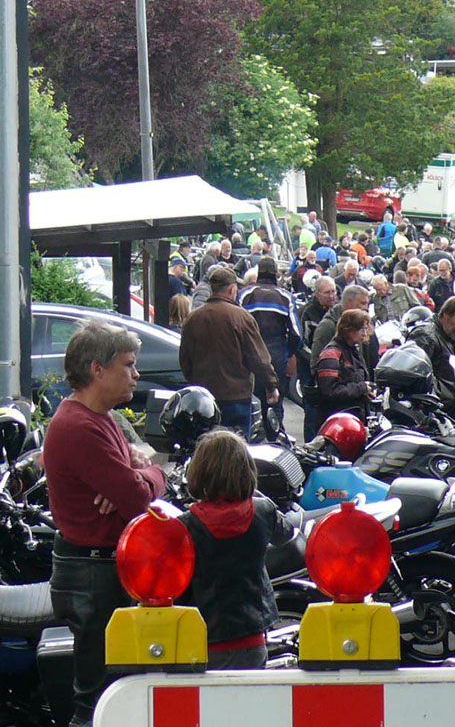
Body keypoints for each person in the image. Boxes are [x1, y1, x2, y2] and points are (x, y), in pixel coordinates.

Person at [45, 319, 167, 726]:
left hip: (99, 569)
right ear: (97, 369)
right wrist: (153, 474)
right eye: (128, 365)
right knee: (98, 700)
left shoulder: (100, 418)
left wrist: (135, 473)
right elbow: (137, 497)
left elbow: (132, 479)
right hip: (92, 575)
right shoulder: (80, 427)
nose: (136, 374)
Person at [180, 430, 292, 670]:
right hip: (251, 636)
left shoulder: (185, 525)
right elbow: (287, 533)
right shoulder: (263, 511)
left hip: (201, 636)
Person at [179, 266, 278, 438]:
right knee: (236, 445)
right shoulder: (241, 317)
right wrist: (271, 385)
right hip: (236, 396)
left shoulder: (193, 318)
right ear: (232, 290)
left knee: (207, 445)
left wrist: (196, 381)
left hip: (204, 399)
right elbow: (258, 358)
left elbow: (185, 359)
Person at [238, 257, 302, 425]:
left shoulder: (244, 295)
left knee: (250, 402)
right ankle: (275, 435)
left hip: (249, 356)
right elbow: (296, 334)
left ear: (259, 272)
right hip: (276, 355)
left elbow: (235, 325)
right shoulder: (285, 297)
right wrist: (287, 353)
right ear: (276, 273)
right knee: (274, 403)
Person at [306, 309, 374, 440]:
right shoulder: (332, 353)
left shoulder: (354, 352)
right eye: (361, 329)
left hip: (352, 422)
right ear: (348, 329)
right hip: (336, 426)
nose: (365, 334)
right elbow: (329, 391)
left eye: (366, 329)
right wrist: (361, 389)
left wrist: (366, 393)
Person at [412, 295, 455, 411]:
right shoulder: (427, 337)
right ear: (446, 314)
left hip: (444, 407)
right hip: (430, 408)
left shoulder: (451, 338)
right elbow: (416, 377)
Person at [301, 274, 337, 347]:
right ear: (317, 295)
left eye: (333, 291)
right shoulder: (308, 312)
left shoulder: (338, 309)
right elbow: (304, 343)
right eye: (327, 293)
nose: (331, 296)